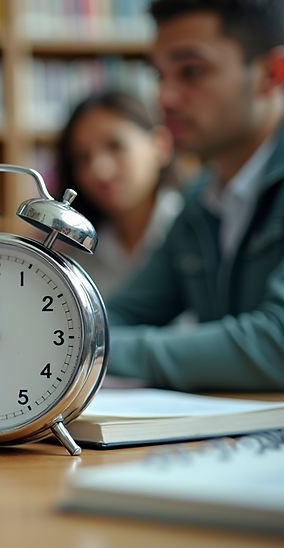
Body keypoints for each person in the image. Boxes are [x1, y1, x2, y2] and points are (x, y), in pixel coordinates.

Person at [106, 0, 284, 391]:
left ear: (272, 73)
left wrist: (81, 349)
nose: (164, 98)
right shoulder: (199, 196)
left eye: (191, 71)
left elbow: (277, 344)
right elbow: (123, 312)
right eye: (159, 75)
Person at [56, 91, 182, 299]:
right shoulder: (81, 250)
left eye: (115, 146)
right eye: (82, 157)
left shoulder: (194, 226)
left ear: (160, 145)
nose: (98, 170)